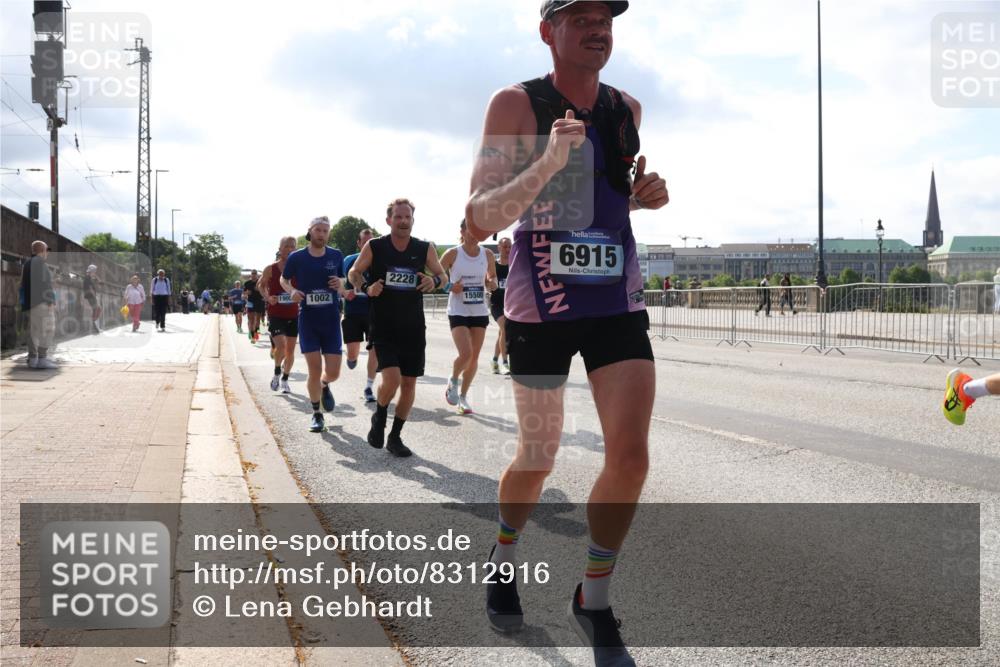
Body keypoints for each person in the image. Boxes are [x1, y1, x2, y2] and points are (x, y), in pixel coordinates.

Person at [464, 2, 668, 662]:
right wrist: (548, 161)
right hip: (541, 303)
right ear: (548, 30)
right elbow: (477, 221)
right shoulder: (517, 106)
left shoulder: (626, 109)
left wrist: (643, 195)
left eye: (604, 14)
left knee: (631, 456)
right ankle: (504, 551)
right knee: (538, 456)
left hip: (615, 297)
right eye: (577, 14)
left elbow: (605, 197)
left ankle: (594, 596)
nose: (595, 25)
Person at [348, 198, 448, 458]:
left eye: (408, 217)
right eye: (399, 217)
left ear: (413, 220)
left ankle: (395, 436)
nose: (404, 221)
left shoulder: (424, 248)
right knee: (391, 379)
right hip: (384, 325)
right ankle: (379, 417)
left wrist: (434, 280)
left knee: (409, 384)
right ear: (389, 220)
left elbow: (442, 275)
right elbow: (354, 273)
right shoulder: (375, 246)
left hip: (414, 327)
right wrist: (366, 287)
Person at [281, 217, 348, 432]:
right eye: (318, 230)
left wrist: (341, 283)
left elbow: (343, 281)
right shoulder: (297, 257)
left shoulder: (336, 255)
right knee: (314, 368)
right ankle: (317, 414)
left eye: (325, 231)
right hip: (308, 320)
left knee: (334, 372)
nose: (321, 234)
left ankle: (325, 384)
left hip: (330, 320)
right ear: (310, 232)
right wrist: (292, 291)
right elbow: (284, 279)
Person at [441, 219, 497, 414]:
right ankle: (453, 379)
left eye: (477, 231)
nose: (473, 235)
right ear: (462, 231)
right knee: (465, 353)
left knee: (474, 358)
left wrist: (491, 283)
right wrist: (450, 286)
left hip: (479, 310)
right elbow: (438, 276)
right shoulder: (453, 254)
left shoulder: (488, 254)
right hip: (458, 310)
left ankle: (463, 398)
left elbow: (492, 276)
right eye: (470, 230)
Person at [342, 228, 379, 403]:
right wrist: (344, 292)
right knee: (352, 354)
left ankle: (369, 387)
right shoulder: (349, 260)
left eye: (371, 242)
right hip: (353, 312)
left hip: (373, 312)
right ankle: (352, 358)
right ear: (359, 243)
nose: (367, 245)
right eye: (364, 242)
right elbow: (341, 282)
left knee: (375, 351)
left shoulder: (380, 260)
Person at [260, 237, 299, 394]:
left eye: (292, 246)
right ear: (280, 248)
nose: (289, 249)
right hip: (276, 313)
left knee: (290, 351)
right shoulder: (271, 268)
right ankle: (277, 372)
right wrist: (268, 297)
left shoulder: (300, 268)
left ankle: (285, 379)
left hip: (293, 314)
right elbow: (262, 286)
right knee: (281, 347)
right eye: (286, 246)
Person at [21, 240, 57, 369]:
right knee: (48, 329)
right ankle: (42, 358)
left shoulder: (27, 264)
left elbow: (24, 286)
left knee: (33, 331)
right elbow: (45, 284)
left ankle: (32, 359)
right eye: (47, 250)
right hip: (41, 302)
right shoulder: (41, 263)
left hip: (30, 304)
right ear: (42, 250)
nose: (47, 253)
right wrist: (51, 301)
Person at [490, 236, 512, 375]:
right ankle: (505, 363)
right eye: (505, 246)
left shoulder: (514, 265)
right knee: (505, 327)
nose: (508, 249)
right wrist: (489, 284)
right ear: (499, 247)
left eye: (510, 246)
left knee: (501, 333)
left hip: (510, 305)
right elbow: (487, 280)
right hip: (496, 304)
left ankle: (494, 360)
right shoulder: (494, 265)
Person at [244, 269, 265, 342]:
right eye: (252, 273)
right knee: (251, 319)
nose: (254, 275)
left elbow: (265, 290)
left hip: (259, 302)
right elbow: (243, 293)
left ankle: (255, 332)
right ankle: (252, 335)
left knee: (257, 320)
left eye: (255, 273)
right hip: (250, 302)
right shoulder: (247, 283)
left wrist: (260, 290)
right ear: (251, 274)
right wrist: (246, 293)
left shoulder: (260, 282)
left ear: (257, 275)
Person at [83, 264, 102, 334]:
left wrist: (96, 277)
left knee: (97, 309)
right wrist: (94, 296)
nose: (95, 272)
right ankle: (94, 324)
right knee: (97, 308)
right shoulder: (87, 277)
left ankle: (94, 323)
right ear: (92, 271)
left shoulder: (90, 278)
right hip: (90, 296)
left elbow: (100, 282)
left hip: (91, 296)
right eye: (95, 271)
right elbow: (90, 289)